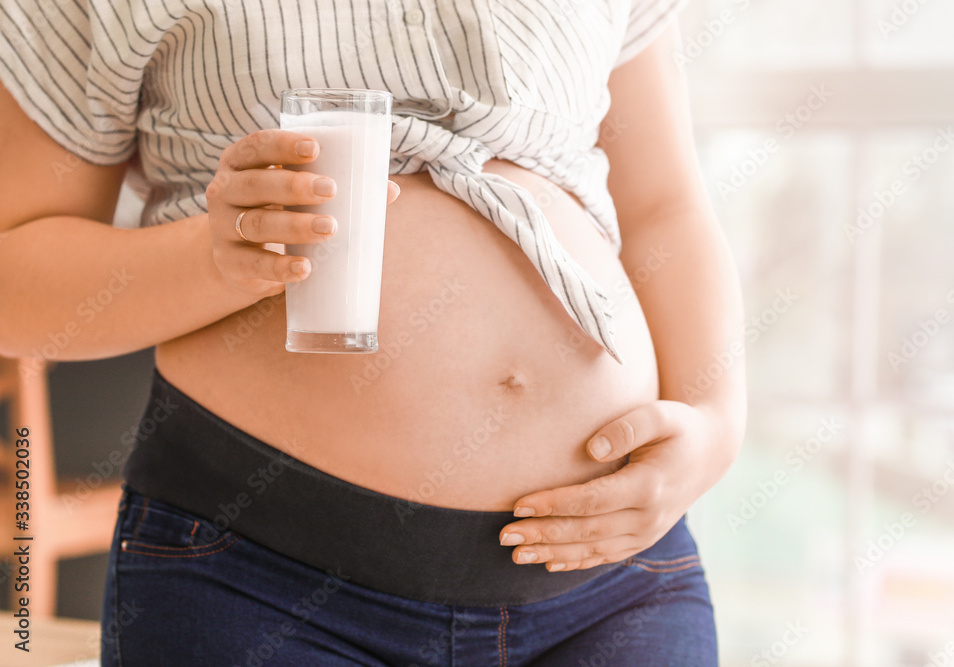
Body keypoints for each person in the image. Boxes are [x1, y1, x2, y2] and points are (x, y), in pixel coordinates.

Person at [0, 0, 746, 664]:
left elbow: (665, 208)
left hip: (613, 587)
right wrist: (211, 258)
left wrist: (717, 424)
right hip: (261, 582)